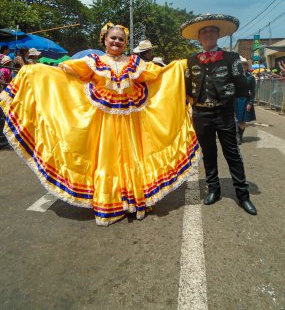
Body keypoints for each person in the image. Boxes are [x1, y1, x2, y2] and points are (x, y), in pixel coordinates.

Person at [0, 22, 200, 226]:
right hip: (104, 124)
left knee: (132, 159)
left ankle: (134, 199)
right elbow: (66, 75)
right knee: (108, 160)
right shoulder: (93, 61)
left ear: (125, 43)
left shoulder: (134, 63)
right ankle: (111, 201)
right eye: (113, 38)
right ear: (104, 39)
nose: (116, 41)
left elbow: (157, 74)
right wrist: (36, 72)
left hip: (131, 123)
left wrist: (180, 65)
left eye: (121, 39)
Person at [181, 13, 257, 215]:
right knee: (209, 153)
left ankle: (243, 195)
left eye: (211, 30)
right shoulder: (191, 61)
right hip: (201, 114)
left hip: (223, 114)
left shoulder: (231, 58)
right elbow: (186, 87)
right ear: (199, 38)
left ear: (218, 35)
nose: (208, 34)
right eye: (203, 31)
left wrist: (227, 98)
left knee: (232, 153)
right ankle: (214, 189)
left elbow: (242, 87)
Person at [234, 57, 256, 144]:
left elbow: (253, 91)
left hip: (245, 100)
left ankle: (240, 136)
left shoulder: (251, 77)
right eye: (241, 64)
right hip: (234, 100)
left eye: (245, 64)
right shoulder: (234, 76)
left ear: (247, 66)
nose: (243, 66)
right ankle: (236, 136)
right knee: (234, 120)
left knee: (242, 121)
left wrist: (250, 103)